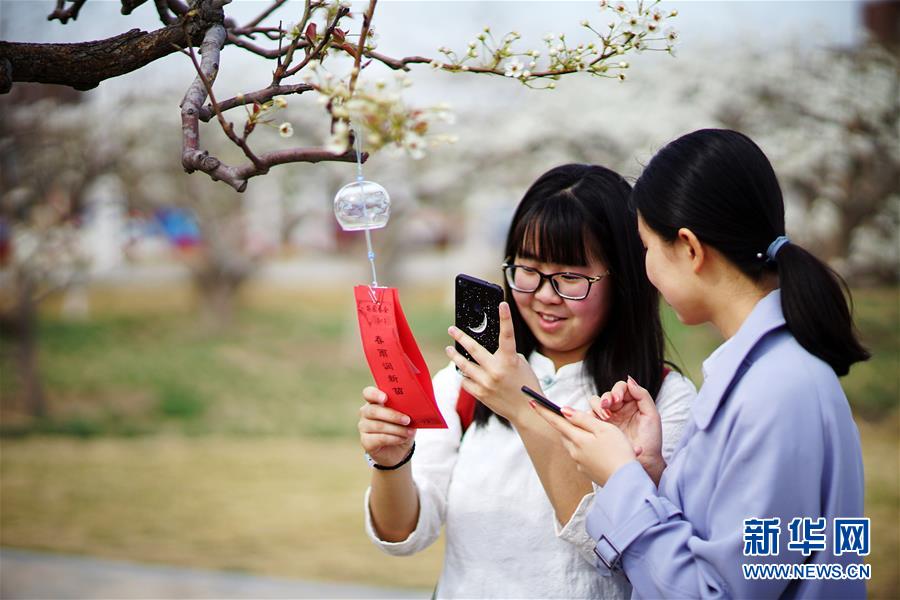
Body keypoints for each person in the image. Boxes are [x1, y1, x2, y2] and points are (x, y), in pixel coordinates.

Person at [535, 130, 870, 598]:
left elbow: (720, 591)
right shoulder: (762, 374)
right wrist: (652, 472)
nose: (646, 271)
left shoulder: (778, 389)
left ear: (690, 249)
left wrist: (622, 481)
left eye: (647, 248)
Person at [357, 164, 697, 598]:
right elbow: (404, 532)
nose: (544, 295)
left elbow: (621, 551)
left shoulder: (659, 400)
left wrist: (523, 406)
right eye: (528, 269)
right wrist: (391, 462)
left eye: (571, 277)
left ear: (624, 278)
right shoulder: (466, 381)